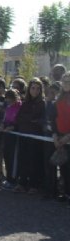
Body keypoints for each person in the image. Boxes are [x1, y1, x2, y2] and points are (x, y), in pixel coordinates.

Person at [14, 78, 46, 194]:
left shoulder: (42, 103)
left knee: (34, 160)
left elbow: (42, 120)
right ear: (29, 89)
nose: (35, 91)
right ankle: (22, 183)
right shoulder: (25, 102)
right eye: (33, 88)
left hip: (36, 136)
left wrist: (32, 120)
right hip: (24, 134)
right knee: (23, 159)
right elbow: (19, 117)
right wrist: (30, 119)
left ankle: (34, 185)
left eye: (38, 89)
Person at [52, 72, 70, 203]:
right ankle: (66, 193)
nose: (65, 83)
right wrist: (55, 136)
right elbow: (53, 119)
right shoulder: (58, 99)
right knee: (63, 168)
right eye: (64, 81)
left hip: (68, 137)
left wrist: (68, 136)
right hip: (60, 137)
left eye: (68, 81)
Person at [0, 89, 21, 190]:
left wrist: (13, 127)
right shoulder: (8, 107)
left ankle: (13, 180)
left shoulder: (20, 107)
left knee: (13, 159)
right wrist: (2, 125)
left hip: (15, 137)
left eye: (11, 98)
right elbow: (4, 119)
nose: (9, 100)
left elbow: (20, 122)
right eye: (7, 98)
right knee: (7, 157)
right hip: (7, 136)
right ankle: (8, 179)